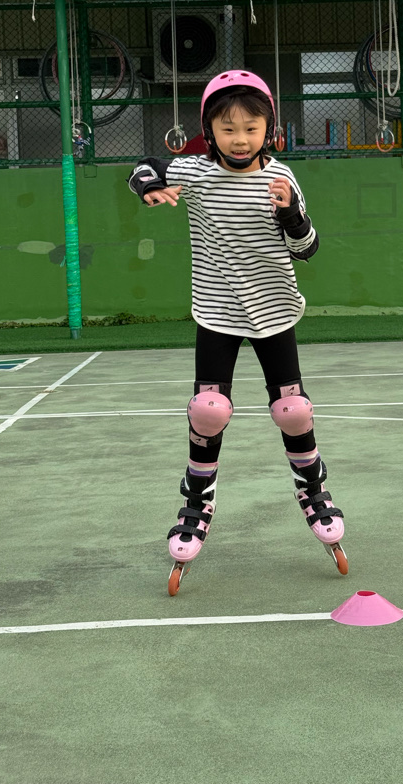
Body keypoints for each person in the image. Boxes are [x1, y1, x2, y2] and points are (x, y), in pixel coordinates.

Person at [127, 70, 347, 594]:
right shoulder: (196, 171)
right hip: (217, 310)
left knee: (293, 410)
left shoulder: (281, 178)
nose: (241, 139)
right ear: (210, 131)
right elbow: (145, 167)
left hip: (274, 310)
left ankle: (313, 490)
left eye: (251, 128)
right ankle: (196, 501)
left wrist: (290, 215)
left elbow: (307, 250)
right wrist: (150, 187)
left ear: (269, 129)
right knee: (209, 409)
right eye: (228, 129)